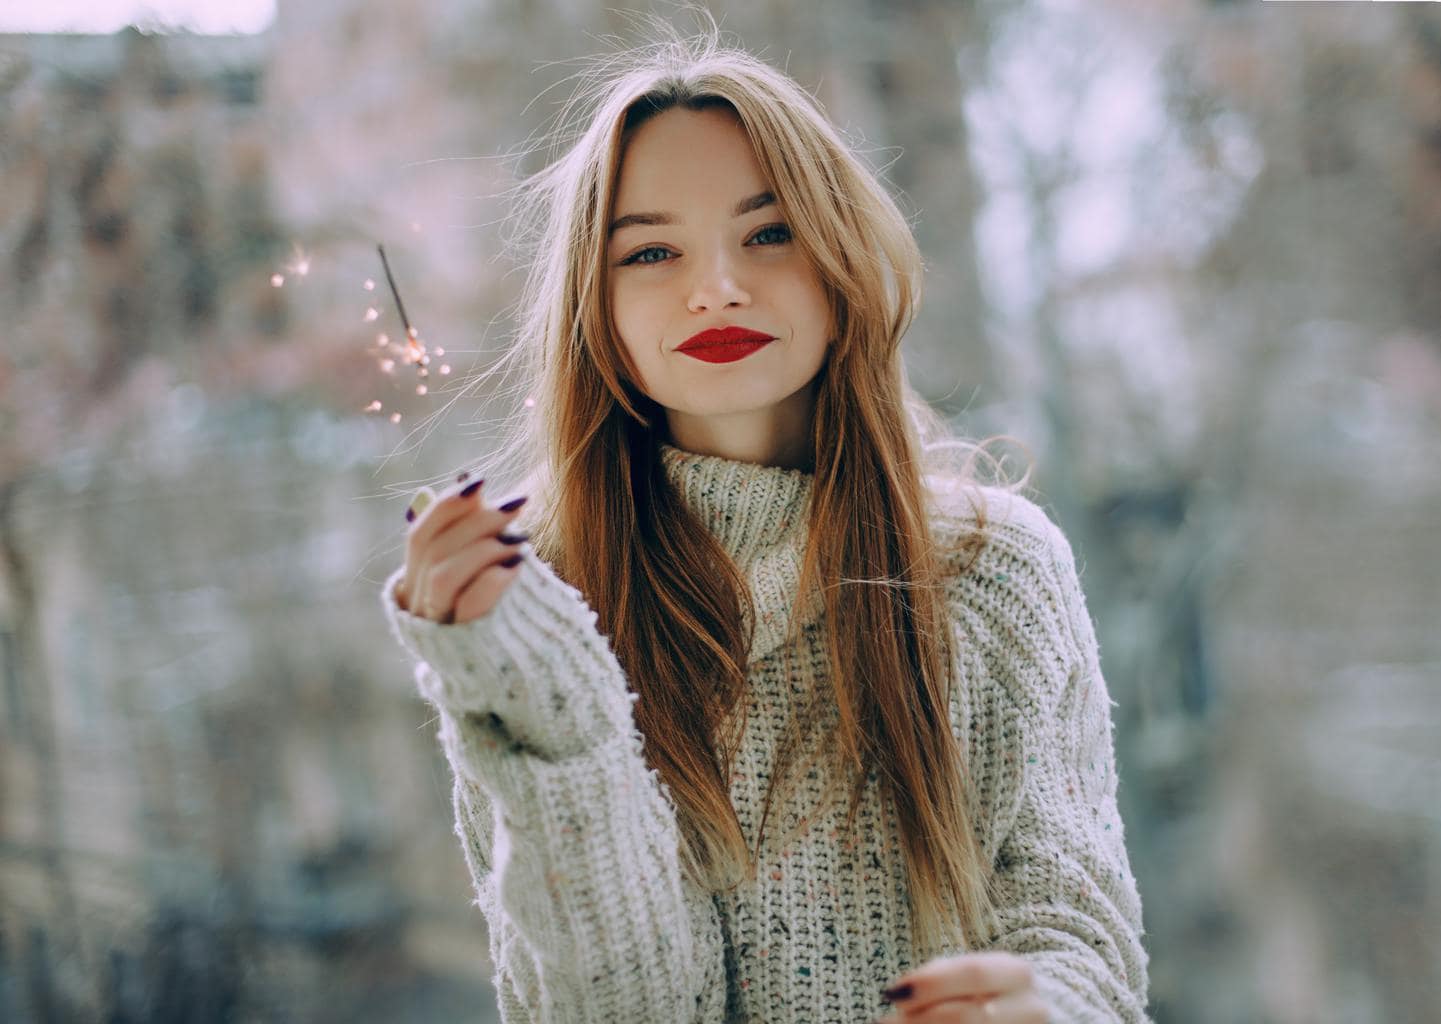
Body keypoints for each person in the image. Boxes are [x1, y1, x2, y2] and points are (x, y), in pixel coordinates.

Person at [380, 16, 1149, 1024]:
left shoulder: (995, 570)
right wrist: (544, 695)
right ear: (594, 311)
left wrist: (1040, 1009)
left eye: (769, 231)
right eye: (650, 252)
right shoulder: (537, 612)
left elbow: (1083, 936)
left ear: (841, 259)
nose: (717, 287)